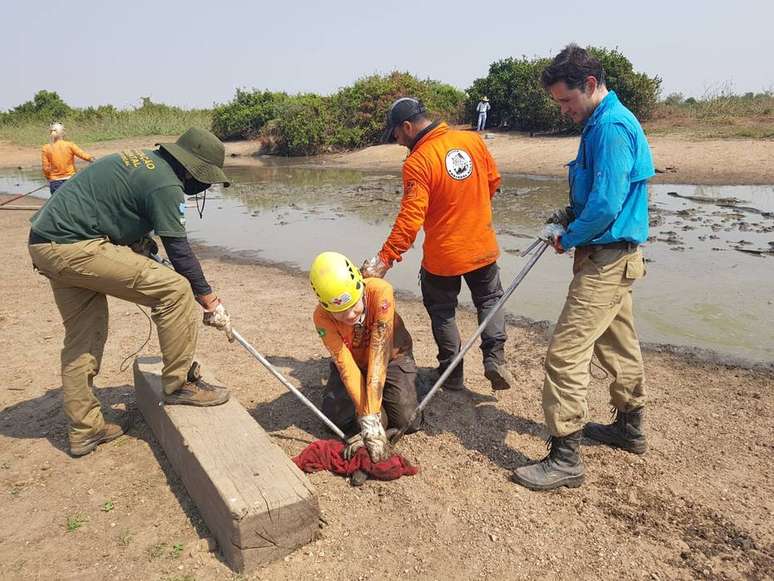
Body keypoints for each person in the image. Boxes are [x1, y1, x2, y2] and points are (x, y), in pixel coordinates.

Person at [28, 127, 234, 457]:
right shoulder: (166, 183)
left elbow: (111, 207)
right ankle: (178, 385)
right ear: (193, 169)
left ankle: (85, 430)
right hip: (75, 246)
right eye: (206, 178)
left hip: (46, 243)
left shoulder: (143, 160)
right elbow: (179, 252)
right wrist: (210, 301)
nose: (204, 186)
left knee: (84, 337)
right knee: (176, 291)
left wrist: (135, 240)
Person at [512, 44, 654, 491]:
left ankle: (565, 456)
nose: (563, 110)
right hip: (616, 257)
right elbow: (597, 196)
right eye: (558, 103)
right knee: (618, 345)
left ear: (590, 86)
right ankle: (630, 429)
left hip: (606, 261)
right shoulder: (600, 123)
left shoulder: (610, 126)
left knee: (565, 353)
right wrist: (568, 217)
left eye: (566, 101)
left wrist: (568, 236)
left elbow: (608, 204)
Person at [363, 97, 515, 392]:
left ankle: (452, 373)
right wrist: (471, 210)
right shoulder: (472, 141)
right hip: (482, 245)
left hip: (443, 255)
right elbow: (493, 182)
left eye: (395, 133)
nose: (396, 140)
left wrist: (385, 259)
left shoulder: (418, 162)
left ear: (407, 126)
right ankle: (494, 358)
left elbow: (410, 219)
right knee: (490, 299)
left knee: (443, 310)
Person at [310, 251, 421, 462]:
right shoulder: (321, 318)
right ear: (325, 307)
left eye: (354, 306)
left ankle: (412, 383)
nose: (350, 315)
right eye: (341, 312)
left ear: (360, 287)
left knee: (409, 421)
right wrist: (370, 419)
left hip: (391, 357)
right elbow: (346, 365)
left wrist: (369, 415)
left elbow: (379, 355)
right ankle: (378, 412)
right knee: (335, 419)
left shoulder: (381, 293)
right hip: (354, 362)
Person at [41, 122, 94, 194]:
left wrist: (49, 178)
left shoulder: (46, 148)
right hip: (70, 181)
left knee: (59, 204)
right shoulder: (69, 145)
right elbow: (84, 155)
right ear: (63, 133)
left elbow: (45, 168)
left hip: (55, 182)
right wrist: (92, 159)